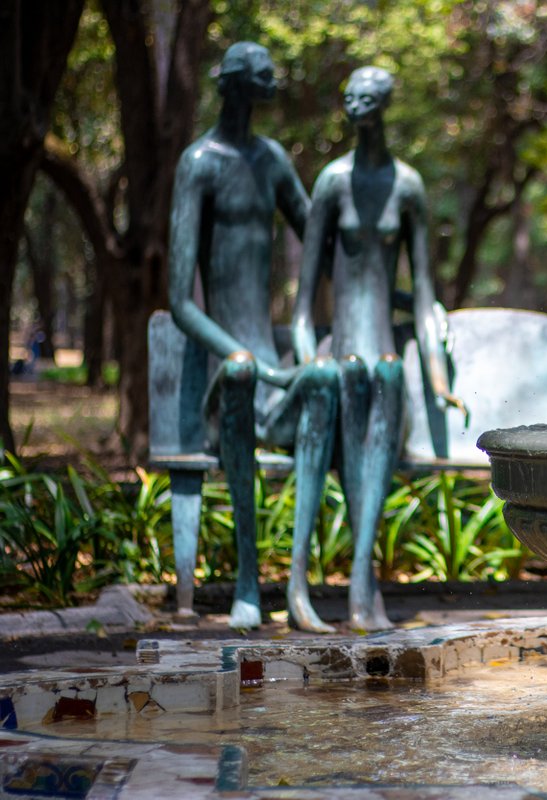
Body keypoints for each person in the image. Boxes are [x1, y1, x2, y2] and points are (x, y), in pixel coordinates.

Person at [168, 42, 339, 632]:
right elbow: (179, 302)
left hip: (270, 374)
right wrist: (242, 356)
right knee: (241, 371)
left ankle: (297, 586)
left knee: (323, 379)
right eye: (263, 75)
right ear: (236, 83)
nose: (273, 83)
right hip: (225, 378)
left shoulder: (271, 161)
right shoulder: (199, 163)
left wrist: (401, 295)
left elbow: (322, 244)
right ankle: (247, 580)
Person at [294, 66, 464, 631]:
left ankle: (362, 586)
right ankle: (356, 588)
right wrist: (308, 364)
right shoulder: (332, 182)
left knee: (386, 374)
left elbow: (423, 295)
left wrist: (438, 379)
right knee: (353, 374)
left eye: (365, 98)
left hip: (386, 359)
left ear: (383, 105)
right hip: (340, 357)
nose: (354, 106)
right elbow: (302, 307)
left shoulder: (408, 186)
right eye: (349, 97)